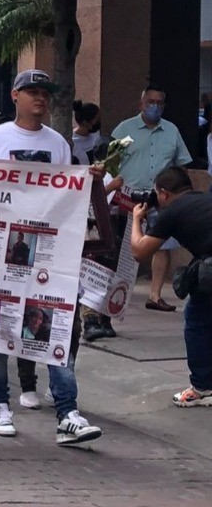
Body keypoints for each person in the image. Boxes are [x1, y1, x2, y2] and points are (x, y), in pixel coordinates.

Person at [0, 68, 101, 446]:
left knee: (54, 328)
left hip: (46, 254)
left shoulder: (58, 143)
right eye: (33, 91)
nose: (40, 98)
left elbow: (65, 194)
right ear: (15, 96)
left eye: (45, 92)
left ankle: (67, 412)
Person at [130, 166, 212, 407]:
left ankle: (202, 387)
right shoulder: (205, 199)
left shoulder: (172, 212)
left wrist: (137, 220)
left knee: (196, 320)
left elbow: (139, 251)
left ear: (164, 193)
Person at [112, 85, 193, 313]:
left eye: (159, 103)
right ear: (141, 104)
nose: (155, 106)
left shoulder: (171, 131)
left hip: (162, 198)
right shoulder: (124, 130)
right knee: (125, 249)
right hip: (130, 197)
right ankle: (116, 295)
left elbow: (182, 164)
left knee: (162, 246)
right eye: (150, 102)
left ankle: (155, 296)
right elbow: (109, 161)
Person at [72, 101, 104, 166]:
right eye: (97, 120)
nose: (99, 122)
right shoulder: (73, 142)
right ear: (85, 123)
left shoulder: (96, 134)